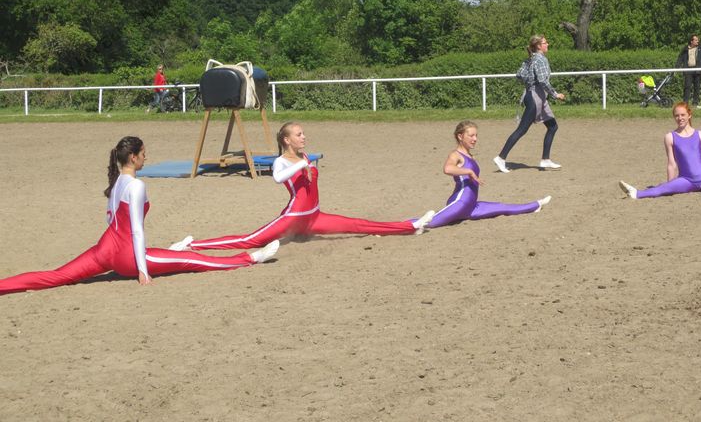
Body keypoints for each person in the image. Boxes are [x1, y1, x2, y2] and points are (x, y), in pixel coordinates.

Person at [0, 137, 278, 296]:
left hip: (103, 250)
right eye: (144, 154)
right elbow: (135, 230)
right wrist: (142, 271)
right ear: (133, 157)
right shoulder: (136, 185)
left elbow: (112, 221)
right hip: (127, 257)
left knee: (57, 276)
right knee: (193, 261)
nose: (146, 158)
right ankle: (251, 258)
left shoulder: (116, 182)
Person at [169, 122, 434, 251]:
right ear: (287, 140)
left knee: (358, 224)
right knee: (250, 240)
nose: (304, 136)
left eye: (303, 133)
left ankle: (410, 226)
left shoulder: (304, 156)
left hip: (314, 217)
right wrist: (302, 166)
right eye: (299, 134)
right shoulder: (282, 162)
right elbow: (277, 179)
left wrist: (305, 163)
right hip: (293, 217)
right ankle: (192, 245)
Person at [426, 121, 551, 228]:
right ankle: (412, 226)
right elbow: (447, 169)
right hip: (460, 203)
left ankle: (536, 205)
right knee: (430, 223)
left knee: (501, 207)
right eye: (471, 136)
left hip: (472, 206)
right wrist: (469, 171)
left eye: (476, 135)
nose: (475, 139)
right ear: (460, 136)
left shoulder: (469, 155)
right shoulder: (456, 155)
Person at [493, 34, 565, 173]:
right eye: (545, 43)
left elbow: (519, 75)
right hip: (535, 97)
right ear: (538, 46)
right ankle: (501, 158)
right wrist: (555, 94)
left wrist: (530, 82)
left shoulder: (530, 59)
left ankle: (545, 160)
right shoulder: (541, 59)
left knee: (552, 126)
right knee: (521, 130)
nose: (547, 44)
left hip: (536, 96)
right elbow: (543, 81)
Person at [675, 34, 701, 107]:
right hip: (688, 70)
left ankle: (695, 103)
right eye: (696, 40)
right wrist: (677, 67)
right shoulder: (685, 49)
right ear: (691, 41)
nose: (697, 41)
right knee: (687, 86)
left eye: (698, 40)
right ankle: (685, 103)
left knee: (697, 87)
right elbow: (680, 58)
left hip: (698, 70)